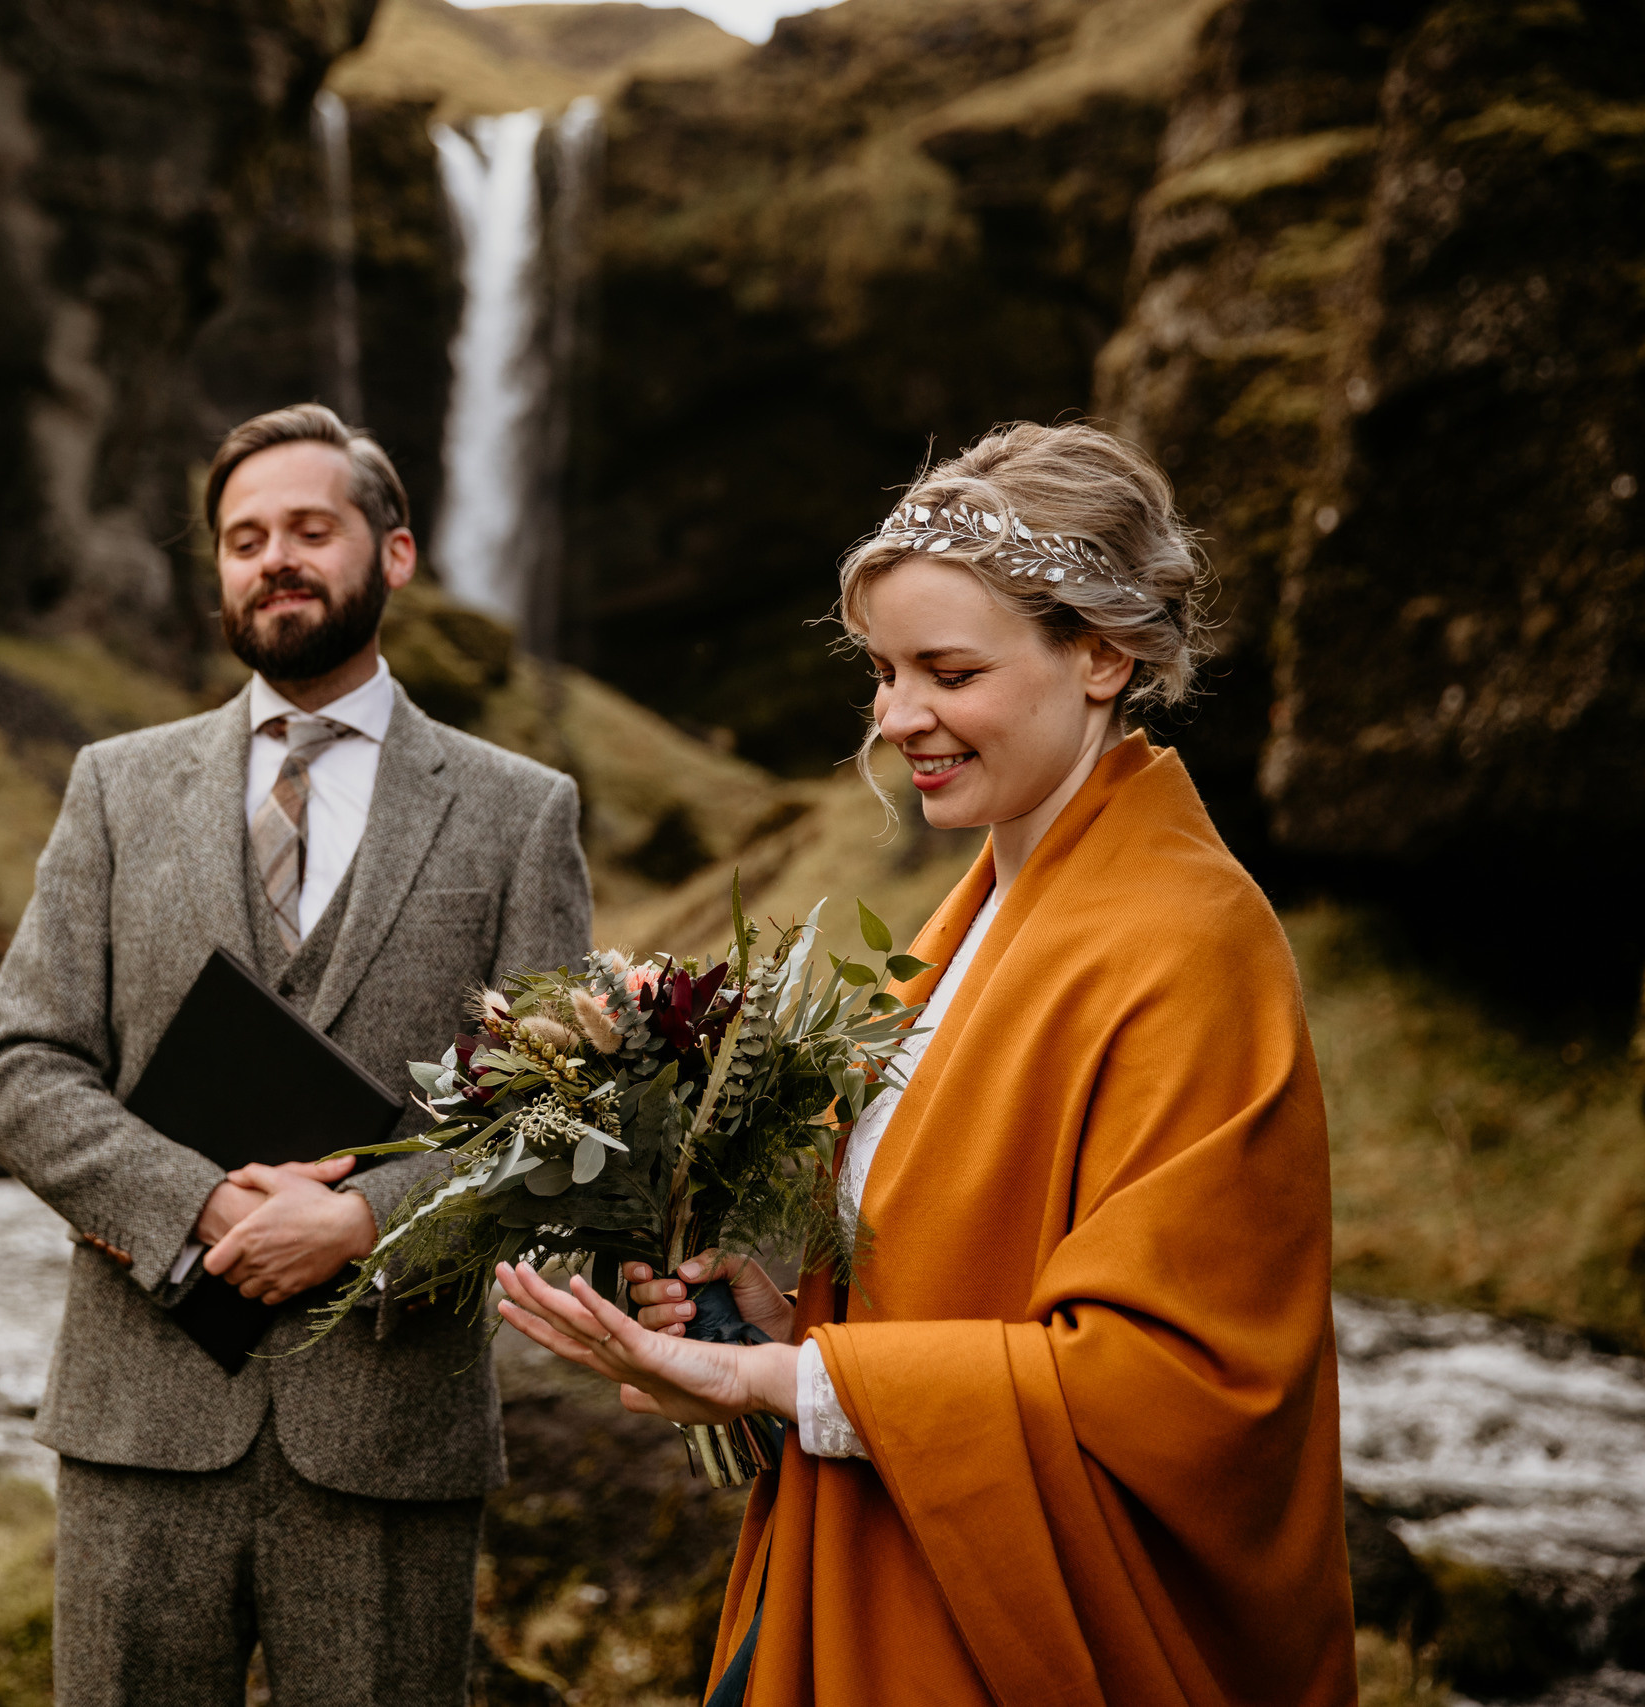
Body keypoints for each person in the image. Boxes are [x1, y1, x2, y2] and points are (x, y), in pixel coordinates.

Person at [496, 421, 1357, 1705]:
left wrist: (767, 1377)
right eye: (884, 672)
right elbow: (966, 1286)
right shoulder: (982, 911)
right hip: (882, 1558)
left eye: (946, 670)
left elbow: (1172, 1391)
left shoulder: (1189, 946)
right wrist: (784, 1322)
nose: (899, 718)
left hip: (999, 1628)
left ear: (1101, 657)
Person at [0, 403, 593, 1706]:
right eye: (244, 538)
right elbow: (20, 1063)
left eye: (310, 528)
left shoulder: (519, 812)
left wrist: (363, 1218)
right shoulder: (114, 788)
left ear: (396, 551)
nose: (275, 559)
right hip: (142, 1418)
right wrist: (188, 1202)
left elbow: (559, 1120)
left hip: (392, 1434)